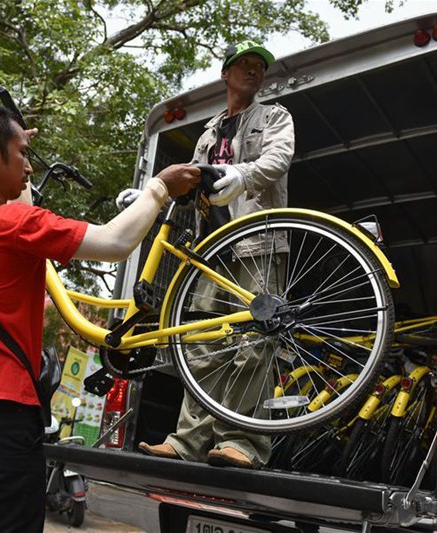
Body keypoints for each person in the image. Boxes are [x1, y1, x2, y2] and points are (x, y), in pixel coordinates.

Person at [0, 103, 199, 533]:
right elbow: (115, 242)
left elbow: (9, 203)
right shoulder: (12, 224)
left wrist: (15, 142)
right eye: (22, 154)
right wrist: (159, 188)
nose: (30, 167)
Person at [124, 41, 295, 469]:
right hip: (207, 251)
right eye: (246, 64)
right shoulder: (209, 132)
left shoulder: (274, 116)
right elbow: (187, 187)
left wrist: (243, 173)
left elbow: (279, 157)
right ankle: (187, 442)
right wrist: (151, 196)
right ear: (226, 73)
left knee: (255, 340)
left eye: (260, 66)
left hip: (256, 241)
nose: (254, 71)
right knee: (200, 343)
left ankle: (242, 442)